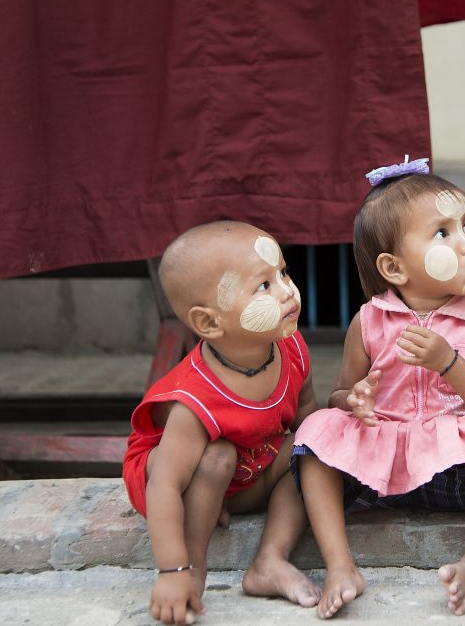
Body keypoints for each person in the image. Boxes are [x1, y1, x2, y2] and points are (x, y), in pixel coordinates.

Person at [292, 159, 465, 618]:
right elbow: (340, 394)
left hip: (456, 470)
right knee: (315, 431)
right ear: (393, 267)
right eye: (443, 233)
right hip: (378, 471)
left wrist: (448, 363)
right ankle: (339, 565)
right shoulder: (368, 319)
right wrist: (354, 402)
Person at [122, 221, 321, 625]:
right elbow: (165, 486)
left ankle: (270, 560)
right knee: (215, 455)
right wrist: (171, 570)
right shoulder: (195, 401)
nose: (287, 291)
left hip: (249, 470)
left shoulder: (292, 348)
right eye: (263, 286)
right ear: (210, 324)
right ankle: (193, 571)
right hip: (175, 477)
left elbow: (308, 416)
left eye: (283, 273)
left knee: (315, 443)